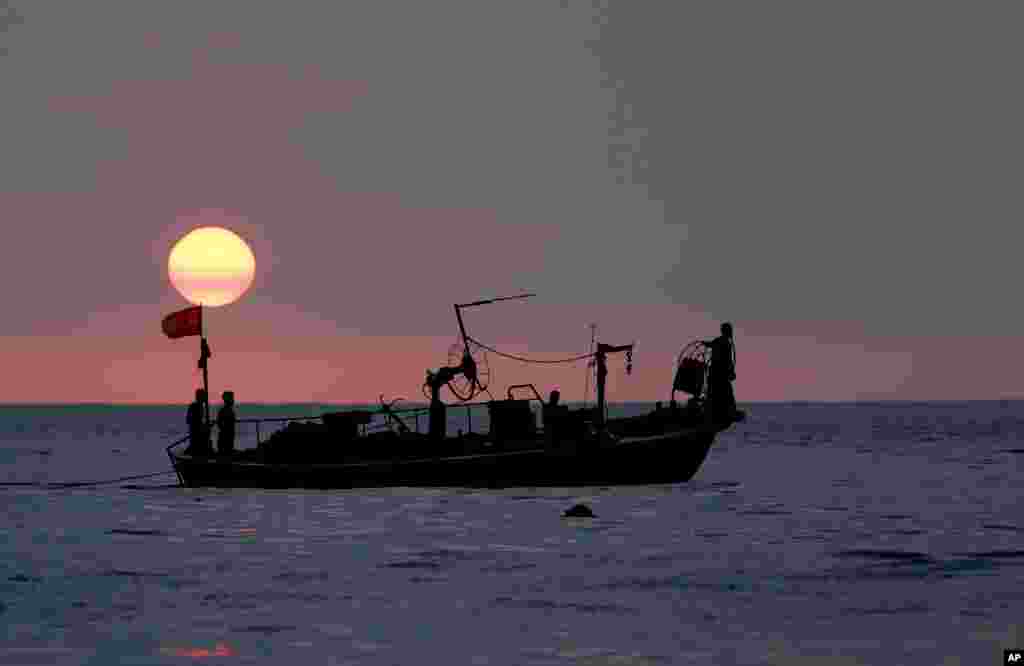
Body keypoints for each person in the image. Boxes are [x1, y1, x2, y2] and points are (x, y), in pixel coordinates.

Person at [702, 322, 737, 423]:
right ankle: (728, 411)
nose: (731, 332)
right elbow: (728, 360)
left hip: (714, 373)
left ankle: (710, 411)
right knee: (727, 393)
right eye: (730, 330)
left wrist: (705, 343)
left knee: (712, 393)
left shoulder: (719, 340)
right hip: (720, 374)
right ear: (727, 331)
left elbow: (711, 344)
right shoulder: (726, 343)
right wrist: (731, 372)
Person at [186, 388, 210, 456]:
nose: (205, 398)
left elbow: (189, 420)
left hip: (196, 435)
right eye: (204, 396)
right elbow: (194, 422)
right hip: (196, 437)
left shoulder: (198, 406)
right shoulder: (195, 407)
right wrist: (204, 427)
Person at [216, 390, 237, 456]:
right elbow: (220, 423)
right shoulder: (227, 411)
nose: (233, 400)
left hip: (226, 436)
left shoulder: (224, 411)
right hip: (226, 437)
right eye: (232, 398)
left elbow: (219, 423)